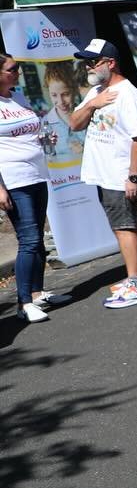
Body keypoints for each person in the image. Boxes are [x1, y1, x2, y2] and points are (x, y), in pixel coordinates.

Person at [66, 39, 137, 308]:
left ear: (111, 63)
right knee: (128, 222)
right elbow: (74, 122)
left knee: (123, 226)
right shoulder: (96, 91)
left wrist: (132, 176)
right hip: (102, 172)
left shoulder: (129, 95)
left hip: (118, 173)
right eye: (87, 62)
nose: (89, 67)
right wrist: (93, 104)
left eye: (94, 62)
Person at [0, 54, 54, 322]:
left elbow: (32, 129)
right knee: (29, 239)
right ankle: (23, 303)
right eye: (12, 69)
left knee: (38, 237)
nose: (17, 72)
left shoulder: (17, 96)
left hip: (36, 174)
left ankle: (37, 292)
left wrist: (44, 137)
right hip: (13, 179)